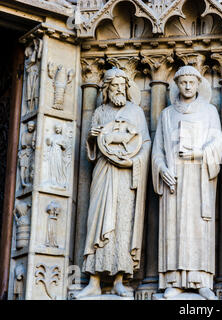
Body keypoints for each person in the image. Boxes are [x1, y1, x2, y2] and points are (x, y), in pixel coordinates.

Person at [74, 68, 151, 298]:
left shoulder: (136, 112)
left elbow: (145, 143)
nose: (118, 89)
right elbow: (92, 145)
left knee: (122, 223)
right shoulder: (99, 111)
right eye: (114, 86)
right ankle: (94, 281)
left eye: (121, 85)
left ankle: (120, 279)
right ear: (107, 89)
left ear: (127, 88)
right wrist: (91, 139)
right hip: (103, 172)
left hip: (125, 175)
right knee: (97, 222)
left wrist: (133, 162)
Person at [152, 66, 222, 300]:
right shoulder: (167, 114)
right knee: (174, 226)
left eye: (192, 82)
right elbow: (157, 150)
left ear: (198, 84)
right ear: (177, 85)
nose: (188, 86)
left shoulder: (209, 111)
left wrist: (199, 153)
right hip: (175, 178)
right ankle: (174, 279)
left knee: (198, 226)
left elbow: (217, 144)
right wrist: (161, 169)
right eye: (183, 82)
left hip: (199, 176)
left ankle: (202, 280)